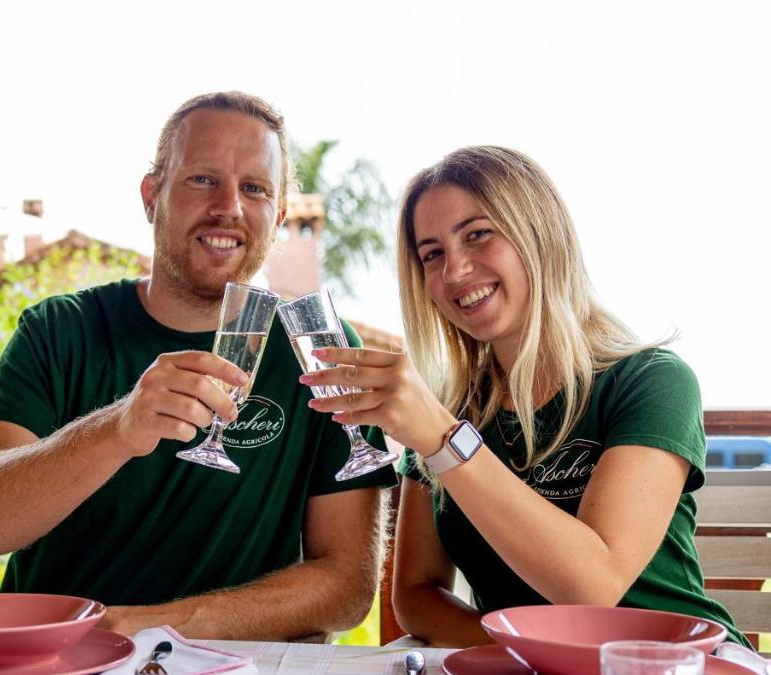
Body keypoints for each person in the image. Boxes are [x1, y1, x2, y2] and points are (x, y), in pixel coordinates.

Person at [0, 92, 396, 641]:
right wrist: (117, 429)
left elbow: (348, 586)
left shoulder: (317, 349)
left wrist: (154, 625)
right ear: (151, 195)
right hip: (60, 674)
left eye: (254, 188)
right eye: (202, 179)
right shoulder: (59, 330)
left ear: (277, 217)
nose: (228, 206)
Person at [301, 145, 750, 648]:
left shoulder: (650, 382)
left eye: (477, 235)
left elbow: (593, 584)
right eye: (432, 254)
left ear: (539, 233)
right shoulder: (448, 407)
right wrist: (528, 658)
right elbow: (416, 593)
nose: (454, 271)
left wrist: (444, 441)